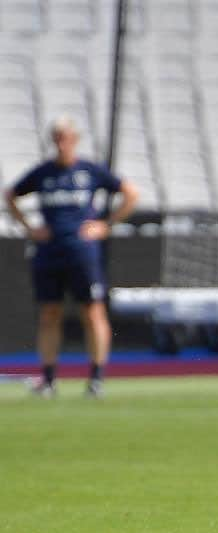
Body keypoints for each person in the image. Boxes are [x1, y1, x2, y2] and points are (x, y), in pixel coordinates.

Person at [3, 116, 139, 398]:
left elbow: (131, 193)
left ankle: (96, 380)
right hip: (49, 253)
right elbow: (10, 195)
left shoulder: (90, 171)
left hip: (82, 254)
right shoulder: (43, 173)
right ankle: (50, 380)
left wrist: (106, 225)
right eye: (57, 138)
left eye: (65, 137)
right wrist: (29, 228)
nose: (61, 143)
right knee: (49, 313)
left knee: (92, 311)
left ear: (74, 140)